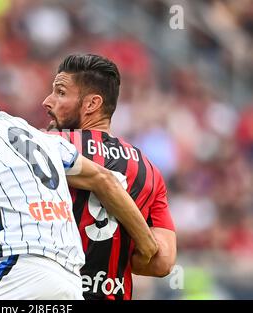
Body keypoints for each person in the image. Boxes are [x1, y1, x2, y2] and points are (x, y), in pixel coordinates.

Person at [0, 63, 157, 300]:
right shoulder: (27, 130)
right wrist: (146, 243)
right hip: (68, 282)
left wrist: (5, 245)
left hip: (21, 271)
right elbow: (103, 178)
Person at [42, 54, 176, 300]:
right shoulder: (150, 171)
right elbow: (163, 263)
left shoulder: (48, 146)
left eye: (60, 93)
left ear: (92, 104)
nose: (47, 101)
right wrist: (123, 255)